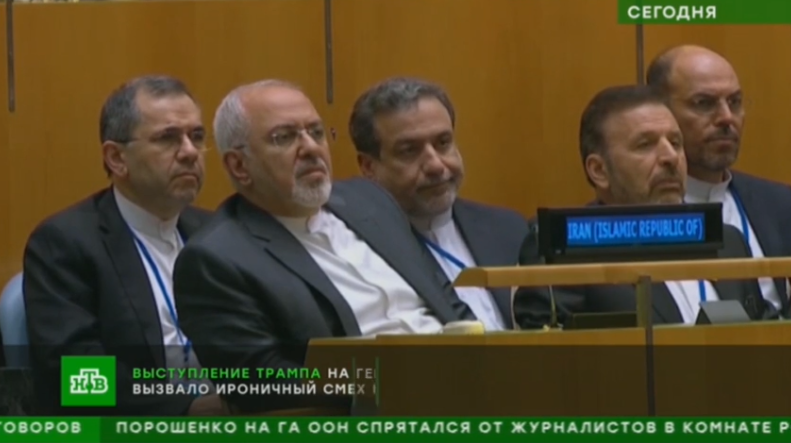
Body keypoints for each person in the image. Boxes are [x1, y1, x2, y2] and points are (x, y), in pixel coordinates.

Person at [173, 79, 474, 413]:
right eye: (284, 137)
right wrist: (398, 384)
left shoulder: (370, 201)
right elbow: (260, 385)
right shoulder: (216, 259)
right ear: (239, 166)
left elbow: (449, 305)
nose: (310, 148)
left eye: (316, 132)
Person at [23, 75, 223, 415]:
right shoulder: (64, 244)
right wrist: (189, 409)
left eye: (197, 136)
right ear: (117, 158)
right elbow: (79, 376)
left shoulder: (218, 231)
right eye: (168, 138)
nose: (190, 152)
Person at [514, 85, 776, 329]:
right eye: (645, 145)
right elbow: (550, 362)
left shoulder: (728, 241)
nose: (670, 158)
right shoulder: (560, 247)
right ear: (599, 170)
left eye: (675, 143)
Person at [349, 77, 529, 331]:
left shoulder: (508, 228)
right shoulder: (359, 252)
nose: (435, 165)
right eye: (409, 150)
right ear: (369, 167)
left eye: (443, 143)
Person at [646, 45, 791, 317]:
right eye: (704, 103)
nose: (726, 118)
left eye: (735, 102)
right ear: (660, 112)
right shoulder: (631, 217)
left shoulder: (782, 205)